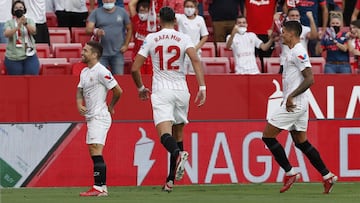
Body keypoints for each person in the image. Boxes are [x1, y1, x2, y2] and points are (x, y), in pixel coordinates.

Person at [131, 6, 206, 192]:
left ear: (159, 20)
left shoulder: (152, 38)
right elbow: (195, 60)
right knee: (178, 135)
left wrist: (141, 88)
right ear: (175, 20)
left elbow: (134, 68)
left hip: (162, 91)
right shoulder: (184, 38)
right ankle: (170, 181)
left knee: (165, 135)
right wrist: (202, 87)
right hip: (182, 90)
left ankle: (178, 155)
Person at [262, 20, 337, 194]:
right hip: (298, 103)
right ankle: (327, 176)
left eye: (284, 32)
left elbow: (310, 78)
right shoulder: (290, 51)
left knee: (267, 136)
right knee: (301, 142)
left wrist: (291, 97)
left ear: (292, 34)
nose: (282, 34)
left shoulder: (299, 52)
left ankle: (290, 173)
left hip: (295, 104)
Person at [77, 41, 122, 197]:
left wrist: (111, 106)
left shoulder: (101, 71)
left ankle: (98, 187)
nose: (82, 52)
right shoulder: (84, 72)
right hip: (91, 117)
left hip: (100, 116)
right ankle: (102, 187)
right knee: (93, 149)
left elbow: (118, 90)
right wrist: (78, 103)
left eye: (85, 50)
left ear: (94, 54)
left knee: (96, 148)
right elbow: (79, 89)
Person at [86, 0, 132, 75]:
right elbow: (88, 29)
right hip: (100, 53)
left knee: (119, 79)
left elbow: (129, 28)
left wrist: (126, 45)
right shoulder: (96, 12)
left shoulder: (122, 12)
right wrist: (96, 31)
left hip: (118, 53)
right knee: (100, 78)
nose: (108, 1)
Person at [4, 0, 40, 75]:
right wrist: (17, 27)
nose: (19, 9)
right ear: (13, 10)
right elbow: (6, 34)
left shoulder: (29, 21)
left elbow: (34, 31)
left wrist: (25, 24)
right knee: (17, 82)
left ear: (24, 9)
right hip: (13, 57)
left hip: (29, 55)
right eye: (16, 8)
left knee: (31, 79)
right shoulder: (9, 22)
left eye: (20, 7)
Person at [277, 8, 318, 73]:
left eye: (297, 15)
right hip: (285, 62)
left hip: (301, 61)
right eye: (292, 15)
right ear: (288, 17)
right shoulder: (282, 29)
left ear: (299, 17)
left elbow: (313, 36)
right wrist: (276, 21)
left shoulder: (304, 29)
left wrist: (311, 19)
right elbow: (273, 36)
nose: (295, 17)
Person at [176, 0, 208, 74]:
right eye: (187, 6)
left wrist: (196, 48)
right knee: (181, 74)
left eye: (191, 6)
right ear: (183, 8)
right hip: (182, 52)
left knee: (194, 74)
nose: (189, 9)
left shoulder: (200, 19)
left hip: (195, 51)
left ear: (196, 8)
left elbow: (205, 36)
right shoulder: (180, 18)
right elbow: (168, 16)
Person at [244, 0, 277, 72]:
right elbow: (244, 11)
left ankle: (264, 80)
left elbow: (276, 13)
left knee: (265, 62)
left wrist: (272, 28)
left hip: (267, 34)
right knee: (250, 61)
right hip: (250, 34)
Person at [129, 0, 153, 74]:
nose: (143, 13)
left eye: (146, 11)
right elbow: (131, 4)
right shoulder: (136, 20)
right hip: (137, 55)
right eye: (141, 11)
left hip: (151, 57)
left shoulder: (153, 23)